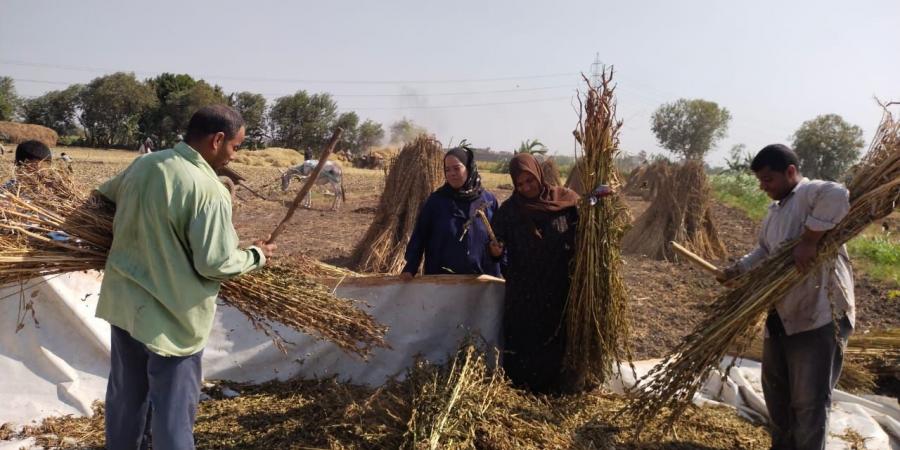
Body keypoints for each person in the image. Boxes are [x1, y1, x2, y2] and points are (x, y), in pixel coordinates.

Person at [95, 105, 276, 449]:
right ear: (217, 140)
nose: (233, 157)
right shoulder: (208, 189)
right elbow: (216, 263)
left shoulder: (144, 164)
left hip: (125, 304)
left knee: (126, 399)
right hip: (172, 320)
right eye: (235, 147)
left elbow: (103, 197)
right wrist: (257, 255)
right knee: (173, 416)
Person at [718, 144, 854, 450]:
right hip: (782, 315)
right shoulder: (776, 210)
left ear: (790, 172)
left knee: (809, 402)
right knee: (776, 392)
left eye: (768, 180)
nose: (763, 187)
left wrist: (810, 240)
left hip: (819, 315)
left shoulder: (810, 194)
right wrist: (738, 269)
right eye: (760, 181)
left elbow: (840, 195)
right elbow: (765, 251)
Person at [488, 153, 580, 394]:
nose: (526, 187)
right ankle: (520, 386)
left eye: (530, 180)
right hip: (523, 287)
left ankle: (552, 387)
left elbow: (586, 228)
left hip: (557, 284)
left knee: (554, 334)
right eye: (520, 184)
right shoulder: (510, 210)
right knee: (522, 334)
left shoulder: (565, 201)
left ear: (539, 175)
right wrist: (495, 251)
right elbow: (495, 243)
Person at [401, 146, 501, 278]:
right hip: (442, 282)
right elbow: (420, 236)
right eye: (447, 170)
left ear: (469, 168)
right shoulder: (436, 202)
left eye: (457, 168)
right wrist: (410, 268)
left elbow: (499, 240)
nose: (451, 173)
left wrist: (499, 256)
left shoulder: (488, 201)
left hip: (480, 283)